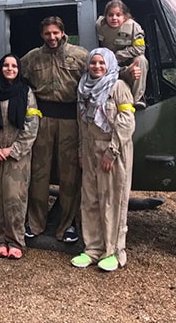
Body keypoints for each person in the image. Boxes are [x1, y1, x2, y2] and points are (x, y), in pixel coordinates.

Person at [0, 16, 87, 244]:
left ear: (63, 32)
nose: (52, 37)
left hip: (70, 121)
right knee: (38, 174)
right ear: (42, 35)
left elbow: (100, 73)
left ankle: (67, 225)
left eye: (55, 33)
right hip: (42, 119)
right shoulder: (34, 57)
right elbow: (10, 72)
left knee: (70, 175)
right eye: (47, 34)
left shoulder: (81, 55)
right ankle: (35, 223)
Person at [71, 48, 136, 272]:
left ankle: (114, 252)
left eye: (101, 63)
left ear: (109, 64)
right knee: (90, 201)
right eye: (93, 63)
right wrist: (81, 152)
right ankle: (92, 249)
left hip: (112, 150)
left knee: (113, 201)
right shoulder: (83, 88)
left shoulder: (118, 87)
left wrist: (112, 151)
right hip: (90, 150)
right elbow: (81, 124)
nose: (97, 67)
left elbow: (126, 122)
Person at [0, 53, 41, 259]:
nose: (10, 69)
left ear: (19, 69)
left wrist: (14, 150)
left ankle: (16, 241)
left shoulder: (26, 93)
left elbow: (31, 125)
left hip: (17, 155)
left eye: (14, 66)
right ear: (1, 68)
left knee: (15, 198)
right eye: (6, 65)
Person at [96, 0, 148, 109]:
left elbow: (140, 48)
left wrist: (118, 56)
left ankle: (138, 99)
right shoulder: (100, 26)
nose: (114, 18)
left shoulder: (134, 27)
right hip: (109, 64)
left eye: (118, 15)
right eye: (110, 15)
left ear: (125, 16)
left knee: (141, 60)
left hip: (128, 60)